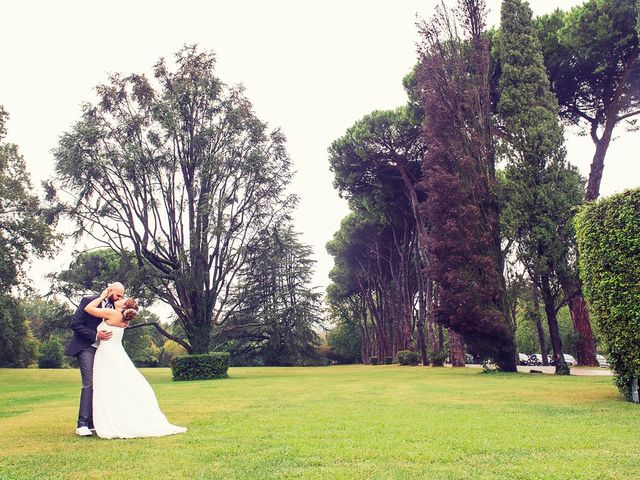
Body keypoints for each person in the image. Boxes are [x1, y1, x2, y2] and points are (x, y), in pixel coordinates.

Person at [85, 287, 187, 439]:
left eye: (122, 300)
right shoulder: (123, 319)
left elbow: (88, 308)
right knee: (116, 385)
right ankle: (112, 418)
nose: (119, 300)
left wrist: (101, 296)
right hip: (116, 352)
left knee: (107, 386)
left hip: (107, 354)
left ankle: (111, 420)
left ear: (123, 307)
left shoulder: (113, 313)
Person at [65, 282, 125, 436]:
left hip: (104, 351)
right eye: (118, 295)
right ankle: (82, 424)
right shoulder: (88, 300)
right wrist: (96, 335)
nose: (120, 298)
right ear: (110, 290)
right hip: (86, 347)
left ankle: (94, 423)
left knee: (101, 384)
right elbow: (75, 324)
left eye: (122, 296)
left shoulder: (116, 308)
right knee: (89, 383)